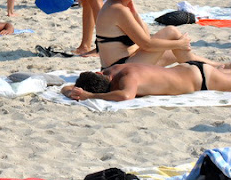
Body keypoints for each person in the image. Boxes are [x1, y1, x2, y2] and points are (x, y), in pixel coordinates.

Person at [94, 0, 225, 70]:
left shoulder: (119, 5)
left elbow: (145, 37)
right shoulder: (118, 10)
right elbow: (147, 44)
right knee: (171, 32)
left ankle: (215, 66)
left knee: (177, 52)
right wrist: (179, 43)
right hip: (119, 68)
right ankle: (214, 69)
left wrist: (134, 14)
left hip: (130, 60)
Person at [63, 62, 231, 102]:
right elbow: (66, 88)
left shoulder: (127, 78)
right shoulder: (110, 70)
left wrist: (90, 96)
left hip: (202, 79)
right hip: (189, 69)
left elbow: (126, 95)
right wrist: (73, 91)